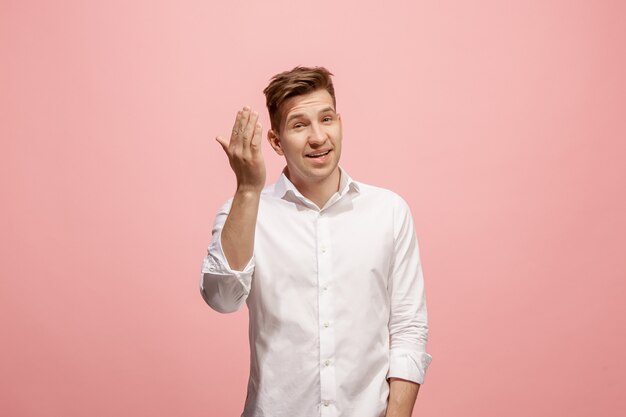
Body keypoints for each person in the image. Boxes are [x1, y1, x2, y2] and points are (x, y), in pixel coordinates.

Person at [200, 66, 432, 417]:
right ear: (276, 142)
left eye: (326, 119)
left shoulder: (389, 211)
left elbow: (408, 328)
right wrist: (247, 190)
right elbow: (222, 299)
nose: (319, 137)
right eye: (299, 125)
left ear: (340, 122)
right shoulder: (244, 212)